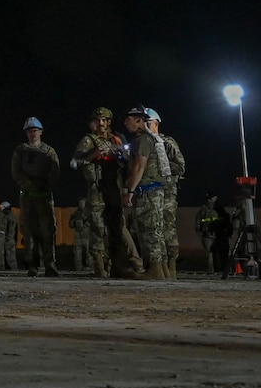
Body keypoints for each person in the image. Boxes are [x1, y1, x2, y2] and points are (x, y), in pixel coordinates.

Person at [69, 108, 125, 277]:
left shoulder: (117, 139)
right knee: (98, 228)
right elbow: (74, 162)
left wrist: (121, 154)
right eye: (98, 120)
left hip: (114, 189)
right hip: (96, 191)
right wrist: (92, 155)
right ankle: (99, 267)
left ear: (109, 122)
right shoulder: (88, 140)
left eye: (104, 120)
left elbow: (127, 160)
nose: (101, 124)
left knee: (115, 227)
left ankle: (116, 264)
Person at [121, 108, 172, 279]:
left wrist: (130, 190)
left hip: (147, 191)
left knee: (148, 231)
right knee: (156, 231)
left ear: (137, 120)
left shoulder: (142, 139)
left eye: (127, 119)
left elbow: (139, 166)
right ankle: (163, 269)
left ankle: (154, 270)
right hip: (156, 190)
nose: (125, 123)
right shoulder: (152, 138)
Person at [11, 118, 62, 276]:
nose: (33, 133)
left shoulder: (49, 151)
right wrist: (28, 183)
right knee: (29, 231)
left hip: (44, 195)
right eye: (30, 131)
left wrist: (44, 183)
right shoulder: (20, 151)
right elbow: (16, 171)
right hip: (27, 197)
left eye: (35, 130)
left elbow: (55, 170)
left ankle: (49, 264)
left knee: (48, 231)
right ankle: (32, 264)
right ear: (26, 133)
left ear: (40, 132)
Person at [146, 110, 186, 276]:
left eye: (149, 124)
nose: (146, 128)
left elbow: (181, 166)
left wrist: (163, 167)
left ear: (156, 124)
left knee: (168, 227)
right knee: (154, 227)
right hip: (151, 190)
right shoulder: (143, 142)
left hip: (168, 190)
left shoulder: (167, 142)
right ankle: (158, 265)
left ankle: (171, 265)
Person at [196, 195, 232, 274]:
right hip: (210, 234)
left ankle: (223, 269)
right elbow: (199, 221)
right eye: (213, 198)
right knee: (211, 254)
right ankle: (213, 270)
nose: (215, 200)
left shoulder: (219, 210)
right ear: (209, 199)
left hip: (218, 234)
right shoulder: (205, 210)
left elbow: (226, 221)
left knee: (220, 253)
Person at [69, 205, 93, 274]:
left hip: (84, 237)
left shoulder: (77, 214)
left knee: (85, 253)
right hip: (82, 237)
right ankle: (81, 268)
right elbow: (71, 224)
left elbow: (71, 225)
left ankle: (84, 267)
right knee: (81, 253)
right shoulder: (77, 214)